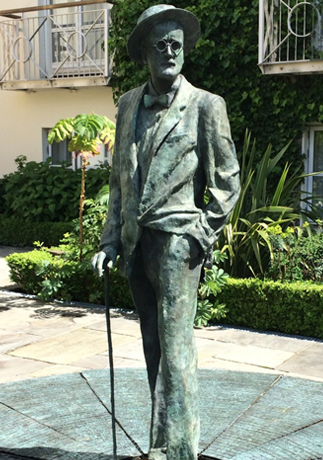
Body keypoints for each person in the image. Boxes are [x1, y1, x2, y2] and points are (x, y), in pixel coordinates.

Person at [91, 5, 240, 460]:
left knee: (177, 352)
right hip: (137, 245)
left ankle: (178, 452)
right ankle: (162, 443)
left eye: (178, 44)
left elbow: (227, 180)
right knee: (153, 346)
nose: (171, 52)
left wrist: (200, 233)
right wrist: (110, 239)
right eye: (162, 45)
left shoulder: (206, 106)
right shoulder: (127, 104)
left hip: (179, 242)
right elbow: (120, 179)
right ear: (144, 53)